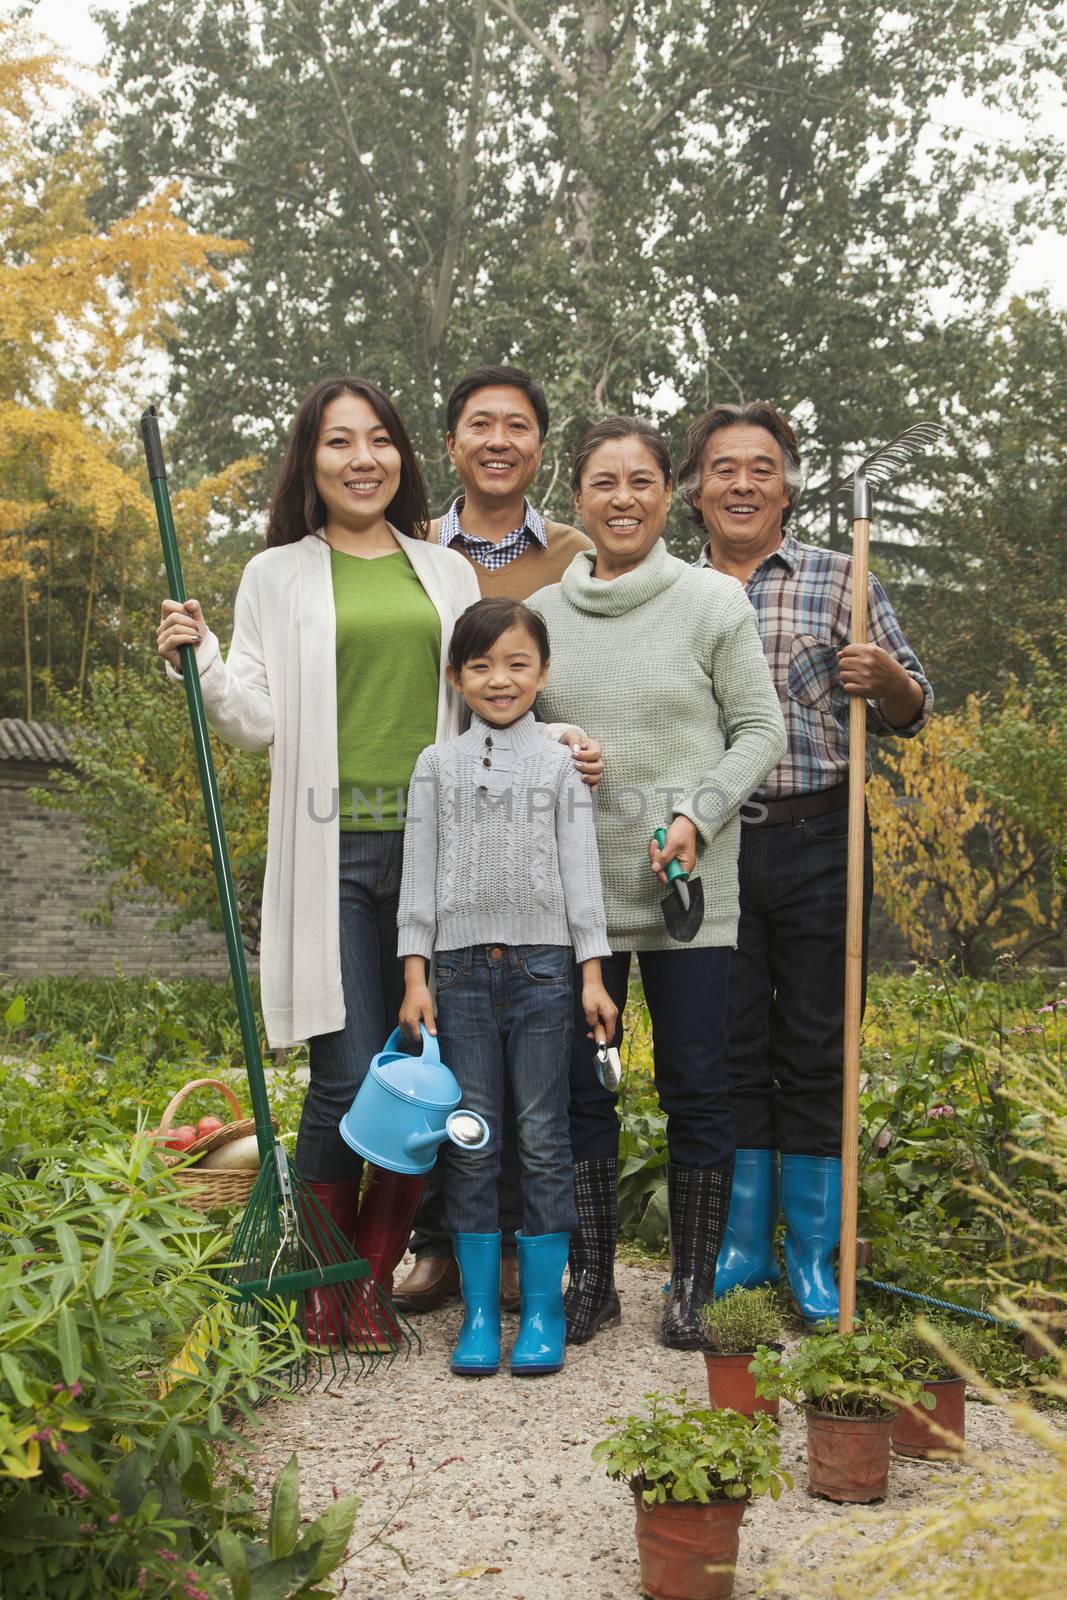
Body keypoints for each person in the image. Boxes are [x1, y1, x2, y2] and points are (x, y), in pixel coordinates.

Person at [155, 375, 595, 1343]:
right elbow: (256, 719)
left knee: (424, 1079)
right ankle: (328, 1277)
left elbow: (492, 686)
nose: (362, 459)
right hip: (333, 855)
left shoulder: (440, 571)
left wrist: (554, 746)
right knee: (349, 1076)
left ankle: (366, 1284)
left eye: (378, 441)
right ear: (309, 462)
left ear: (401, 455)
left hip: (443, 856)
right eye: (338, 443)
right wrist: (203, 662)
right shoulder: (276, 574)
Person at [530, 417, 787, 1349]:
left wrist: (696, 814)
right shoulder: (546, 618)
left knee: (696, 1085)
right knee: (579, 1088)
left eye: (641, 481)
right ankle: (591, 1278)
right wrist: (553, 740)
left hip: (686, 888)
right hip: (576, 897)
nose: (624, 498)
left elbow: (759, 730)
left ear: (667, 495)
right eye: (604, 482)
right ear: (578, 501)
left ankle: (688, 1287)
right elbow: (510, 721)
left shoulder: (712, 603)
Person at [679, 401, 933, 1324]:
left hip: (822, 834)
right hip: (713, 841)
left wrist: (886, 680)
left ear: (788, 483)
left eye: (760, 467)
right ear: (693, 490)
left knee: (820, 1039)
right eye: (721, 469)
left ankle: (813, 1255)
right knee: (732, 1041)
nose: (741, 483)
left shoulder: (840, 576)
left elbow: (912, 708)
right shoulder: (673, 588)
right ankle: (742, 1247)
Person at [395, 364, 597, 1316]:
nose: (499, 440)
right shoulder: (416, 551)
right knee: (458, 1090)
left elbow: (575, 673)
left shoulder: (571, 553)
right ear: (451, 442)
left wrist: (567, 738)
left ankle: (538, 1272)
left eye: (519, 425)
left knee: (543, 1108)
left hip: (541, 860)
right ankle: (447, 1253)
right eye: (480, 423)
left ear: (539, 446)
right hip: (444, 811)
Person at [397, 597, 617, 1376]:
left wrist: (593, 972)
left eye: (517, 663)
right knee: (471, 1137)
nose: (501, 679)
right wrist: (414, 975)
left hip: (544, 971)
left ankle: (544, 1313)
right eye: (482, 665)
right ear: (456, 678)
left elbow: (579, 872)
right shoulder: (436, 765)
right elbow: (417, 877)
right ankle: (481, 1314)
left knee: (544, 1135)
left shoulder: (559, 763)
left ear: (542, 673)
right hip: (455, 973)